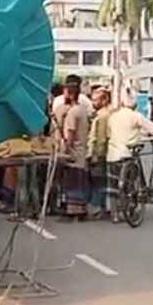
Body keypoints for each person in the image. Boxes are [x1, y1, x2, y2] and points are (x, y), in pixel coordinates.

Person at [106, 89, 153, 223]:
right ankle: (129, 209)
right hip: (128, 153)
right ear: (135, 105)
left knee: (113, 185)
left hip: (113, 154)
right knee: (131, 184)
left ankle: (115, 214)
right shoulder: (136, 116)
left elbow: (108, 133)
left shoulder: (113, 116)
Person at [53, 81, 91, 218]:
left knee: (71, 181)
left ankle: (72, 211)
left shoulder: (72, 113)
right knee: (80, 180)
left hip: (73, 152)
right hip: (82, 150)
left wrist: (66, 150)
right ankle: (81, 210)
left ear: (70, 93)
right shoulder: (83, 110)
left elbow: (70, 133)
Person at [86, 87, 113, 220]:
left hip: (99, 153)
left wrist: (95, 154)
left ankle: (98, 208)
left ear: (104, 100)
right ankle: (101, 207)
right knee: (100, 181)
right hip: (101, 152)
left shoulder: (102, 116)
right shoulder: (102, 114)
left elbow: (100, 138)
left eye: (96, 100)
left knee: (98, 182)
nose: (93, 103)